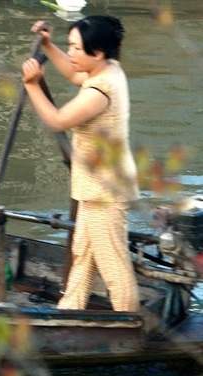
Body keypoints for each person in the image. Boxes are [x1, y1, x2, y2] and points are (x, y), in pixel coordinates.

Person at [22, 16, 139, 312]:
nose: (71, 53)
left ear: (97, 52)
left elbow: (57, 120)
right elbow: (75, 74)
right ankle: (69, 311)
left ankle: (129, 323)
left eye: (76, 48)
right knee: (82, 253)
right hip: (95, 186)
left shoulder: (100, 91)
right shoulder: (109, 68)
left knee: (114, 265)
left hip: (105, 191)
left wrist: (32, 85)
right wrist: (48, 45)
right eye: (70, 46)